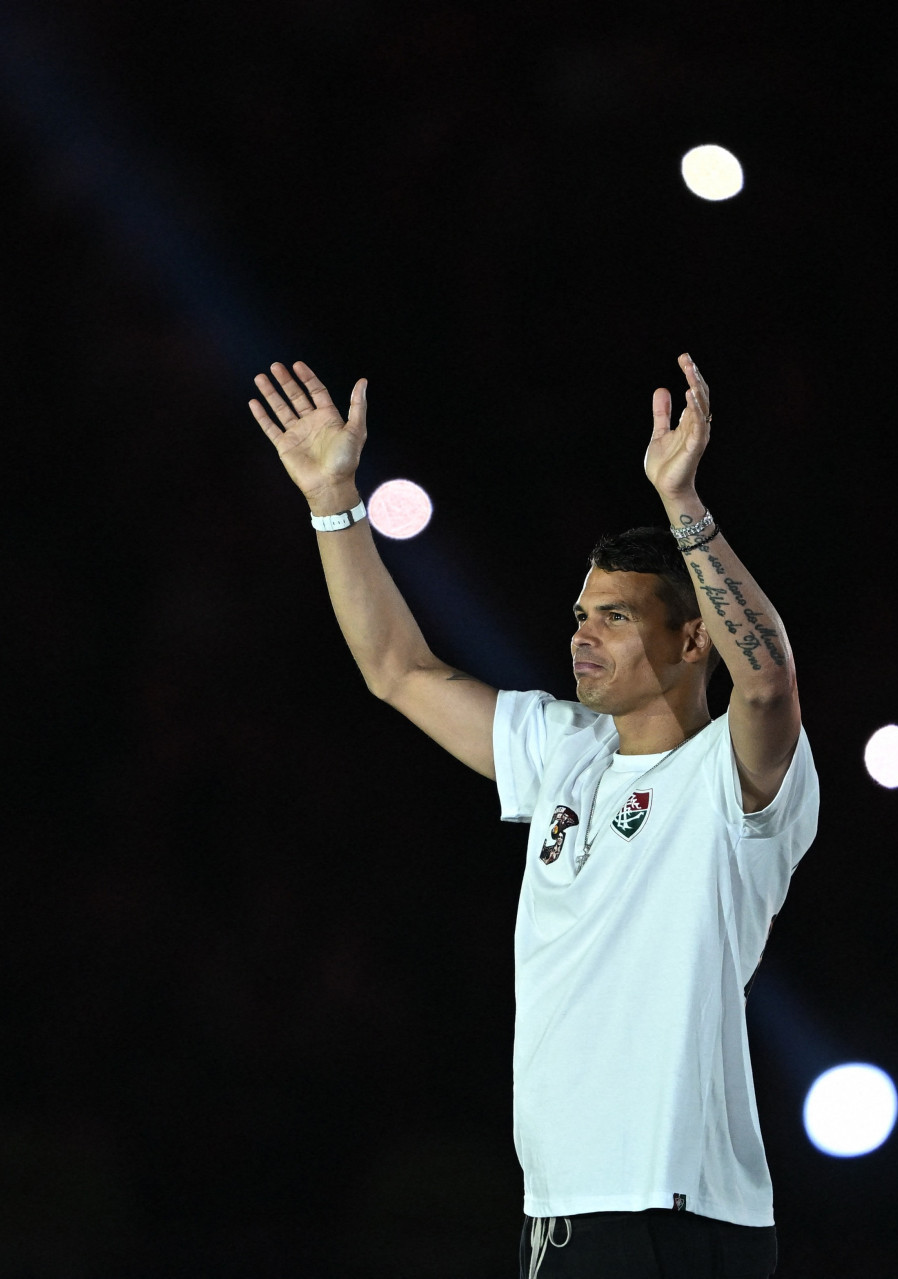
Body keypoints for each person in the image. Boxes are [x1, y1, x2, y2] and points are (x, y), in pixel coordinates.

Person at [248, 355, 818, 1279]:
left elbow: (769, 680)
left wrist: (683, 504)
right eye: (580, 612)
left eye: (616, 617)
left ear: (689, 637)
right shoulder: (565, 750)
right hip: (568, 1209)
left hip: (663, 1211)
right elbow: (397, 670)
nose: (582, 634)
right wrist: (333, 500)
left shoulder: (731, 776)